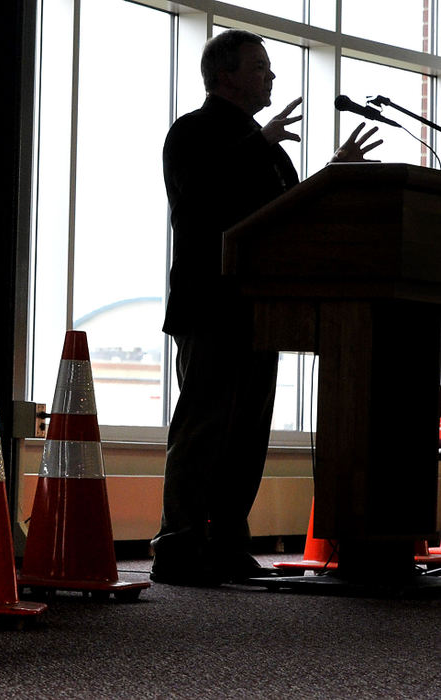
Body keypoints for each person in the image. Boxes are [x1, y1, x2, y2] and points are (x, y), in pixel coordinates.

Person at [151, 28, 382, 587]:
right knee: (205, 424)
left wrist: (334, 176)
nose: (272, 76)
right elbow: (200, 200)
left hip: (264, 309)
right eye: (260, 67)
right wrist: (259, 144)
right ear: (225, 76)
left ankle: (227, 539)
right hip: (211, 304)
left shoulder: (267, 148)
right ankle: (179, 544)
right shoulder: (193, 133)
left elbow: (293, 219)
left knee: (249, 431)